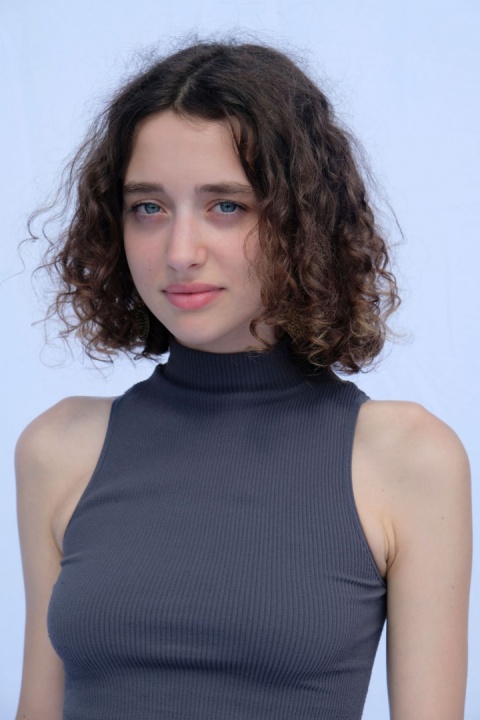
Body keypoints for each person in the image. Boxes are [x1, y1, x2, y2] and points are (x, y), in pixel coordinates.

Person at [15, 40, 472, 720]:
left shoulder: (407, 458)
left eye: (226, 206)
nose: (180, 252)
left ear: (301, 220)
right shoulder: (58, 448)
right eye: (148, 207)